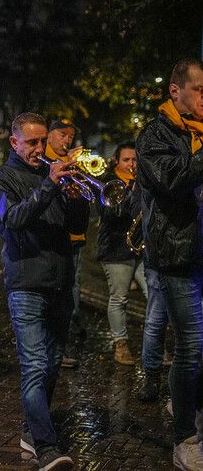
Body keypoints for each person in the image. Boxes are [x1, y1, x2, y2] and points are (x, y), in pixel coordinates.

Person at [0, 112, 88, 470]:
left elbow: (76, 227)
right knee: (34, 366)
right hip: (26, 282)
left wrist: (77, 197)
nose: (40, 148)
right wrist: (49, 185)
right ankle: (46, 448)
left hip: (60, 280)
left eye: (43, 141)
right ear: (14, 142)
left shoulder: (52, 174)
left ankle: (31, 431)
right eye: (31, 142)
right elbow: (14, 219)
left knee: (53, 364)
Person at [136, 58, 203, 470]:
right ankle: (185, 437)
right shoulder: (153, 136)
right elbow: (175, 180)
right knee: (191, 347)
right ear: (175, 92)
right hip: (176, 256)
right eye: (200, 90)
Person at [95, 142, 150, 366]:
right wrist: (134, 191)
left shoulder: (143, 181)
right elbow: (113, 214)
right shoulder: (110, 183)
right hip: (116, 250)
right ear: (117, 161)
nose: (132, 164)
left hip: (140, 249)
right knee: (119, 298)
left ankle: (152, 345)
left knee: (154, 295)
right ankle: (121, 345)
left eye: (135, 160)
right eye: (126, 160)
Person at [45, 119, 84, 369]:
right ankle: (49, 347)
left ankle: (62, 345)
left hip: (74, 237)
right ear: (49, 135)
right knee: (51, 292)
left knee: (71, 289)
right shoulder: (43, 160)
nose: (66, 140)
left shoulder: (74, 161)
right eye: (62, 134)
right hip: (52, 235)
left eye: (70, 136)